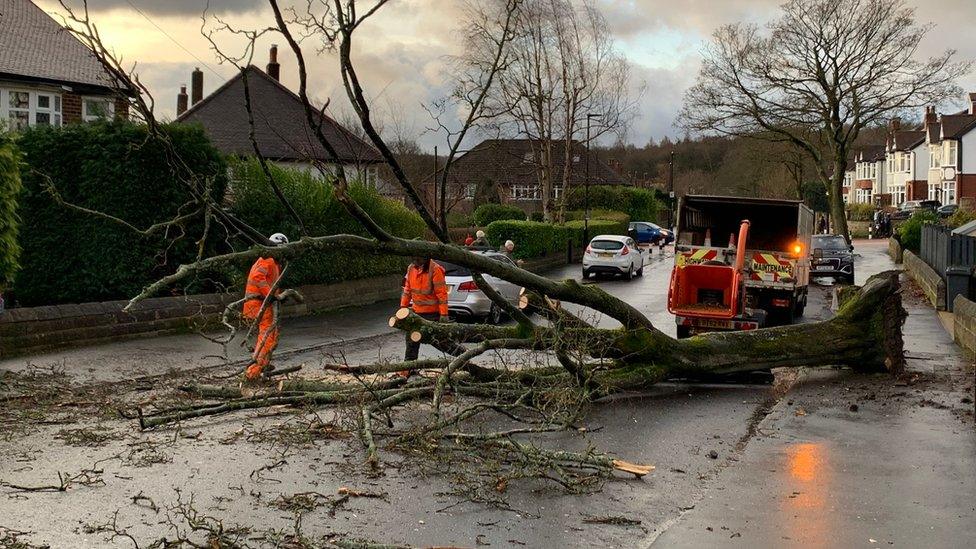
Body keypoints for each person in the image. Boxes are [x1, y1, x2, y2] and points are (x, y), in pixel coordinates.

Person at [242, 232, 289, 381]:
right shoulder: (267, 260)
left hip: (259, 303)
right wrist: (271, 295)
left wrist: (278, 296)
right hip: (258, 304)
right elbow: (258, 278)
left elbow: (270, 283)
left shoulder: (272, 262)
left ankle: (263, 366)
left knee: (270, 336)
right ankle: (253, 372)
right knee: (267, 337)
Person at [399, 255, 450, 375]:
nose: (415, 261)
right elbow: (407, 290)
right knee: (411, 340)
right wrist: (403, 308)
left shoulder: (435, 269)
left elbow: (441, 294)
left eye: (417, 258)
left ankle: (462, 356)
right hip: (416, 312)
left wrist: (444, 314)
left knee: (441, 342)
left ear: (425, 257)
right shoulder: (411, 268)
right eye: (413, 258)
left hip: (432, 313)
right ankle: (409, 368)